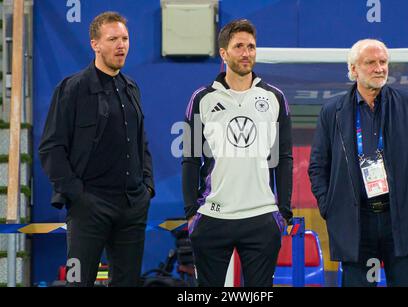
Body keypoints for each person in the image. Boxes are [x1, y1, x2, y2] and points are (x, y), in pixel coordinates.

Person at [308, 39, 408, 287]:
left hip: (402, 219)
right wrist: (328, 206)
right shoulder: (332, 111)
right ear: (353, 70)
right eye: (370, 63)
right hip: (356, 222)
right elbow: (318, 166)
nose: (379, 68)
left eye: (383, 62)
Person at [39, 11, 155, 287]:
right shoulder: (72, 88)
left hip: (131, 206)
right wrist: (78, 196)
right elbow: (51, 147)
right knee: (78, 281)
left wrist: (146, 187)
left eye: (125, 38)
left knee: (127, 282)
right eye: (113, 38)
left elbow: (141, 142)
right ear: (95, 44)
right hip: (88, 208)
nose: (121, 45)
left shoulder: (131, 88)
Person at [182, 19, 293, 287]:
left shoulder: (275, 98)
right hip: (213, 217)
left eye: (251, 46)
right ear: (224, 53)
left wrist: (284, 213)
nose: (246, 53)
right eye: (239, 46)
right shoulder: (202, 98)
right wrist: (190, 213)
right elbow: (190, 159)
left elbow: (285, 157)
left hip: (261, 217)